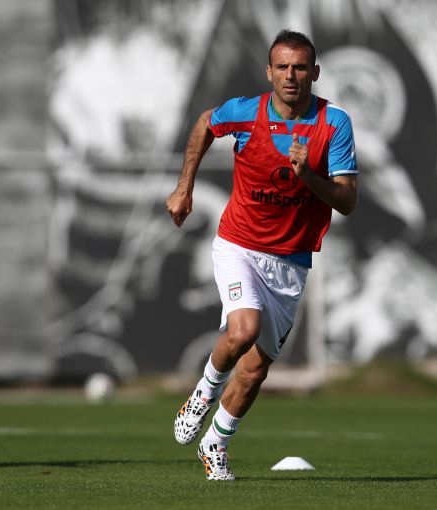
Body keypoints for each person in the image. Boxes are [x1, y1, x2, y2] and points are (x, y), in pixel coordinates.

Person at [166, 29, 358, 481]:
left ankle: (215, 444)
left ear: (315, 72)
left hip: (291, 262)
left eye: (300, 67)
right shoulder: (245, 112)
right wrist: (184, 187)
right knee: (244, 328)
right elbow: (205, 123)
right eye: (283, 67)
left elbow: (347, 200)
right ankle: (202, 394)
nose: (291, 76)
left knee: (253, 372)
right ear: (268, 72)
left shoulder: (334, 123)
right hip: (239, 245)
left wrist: (309, 177)